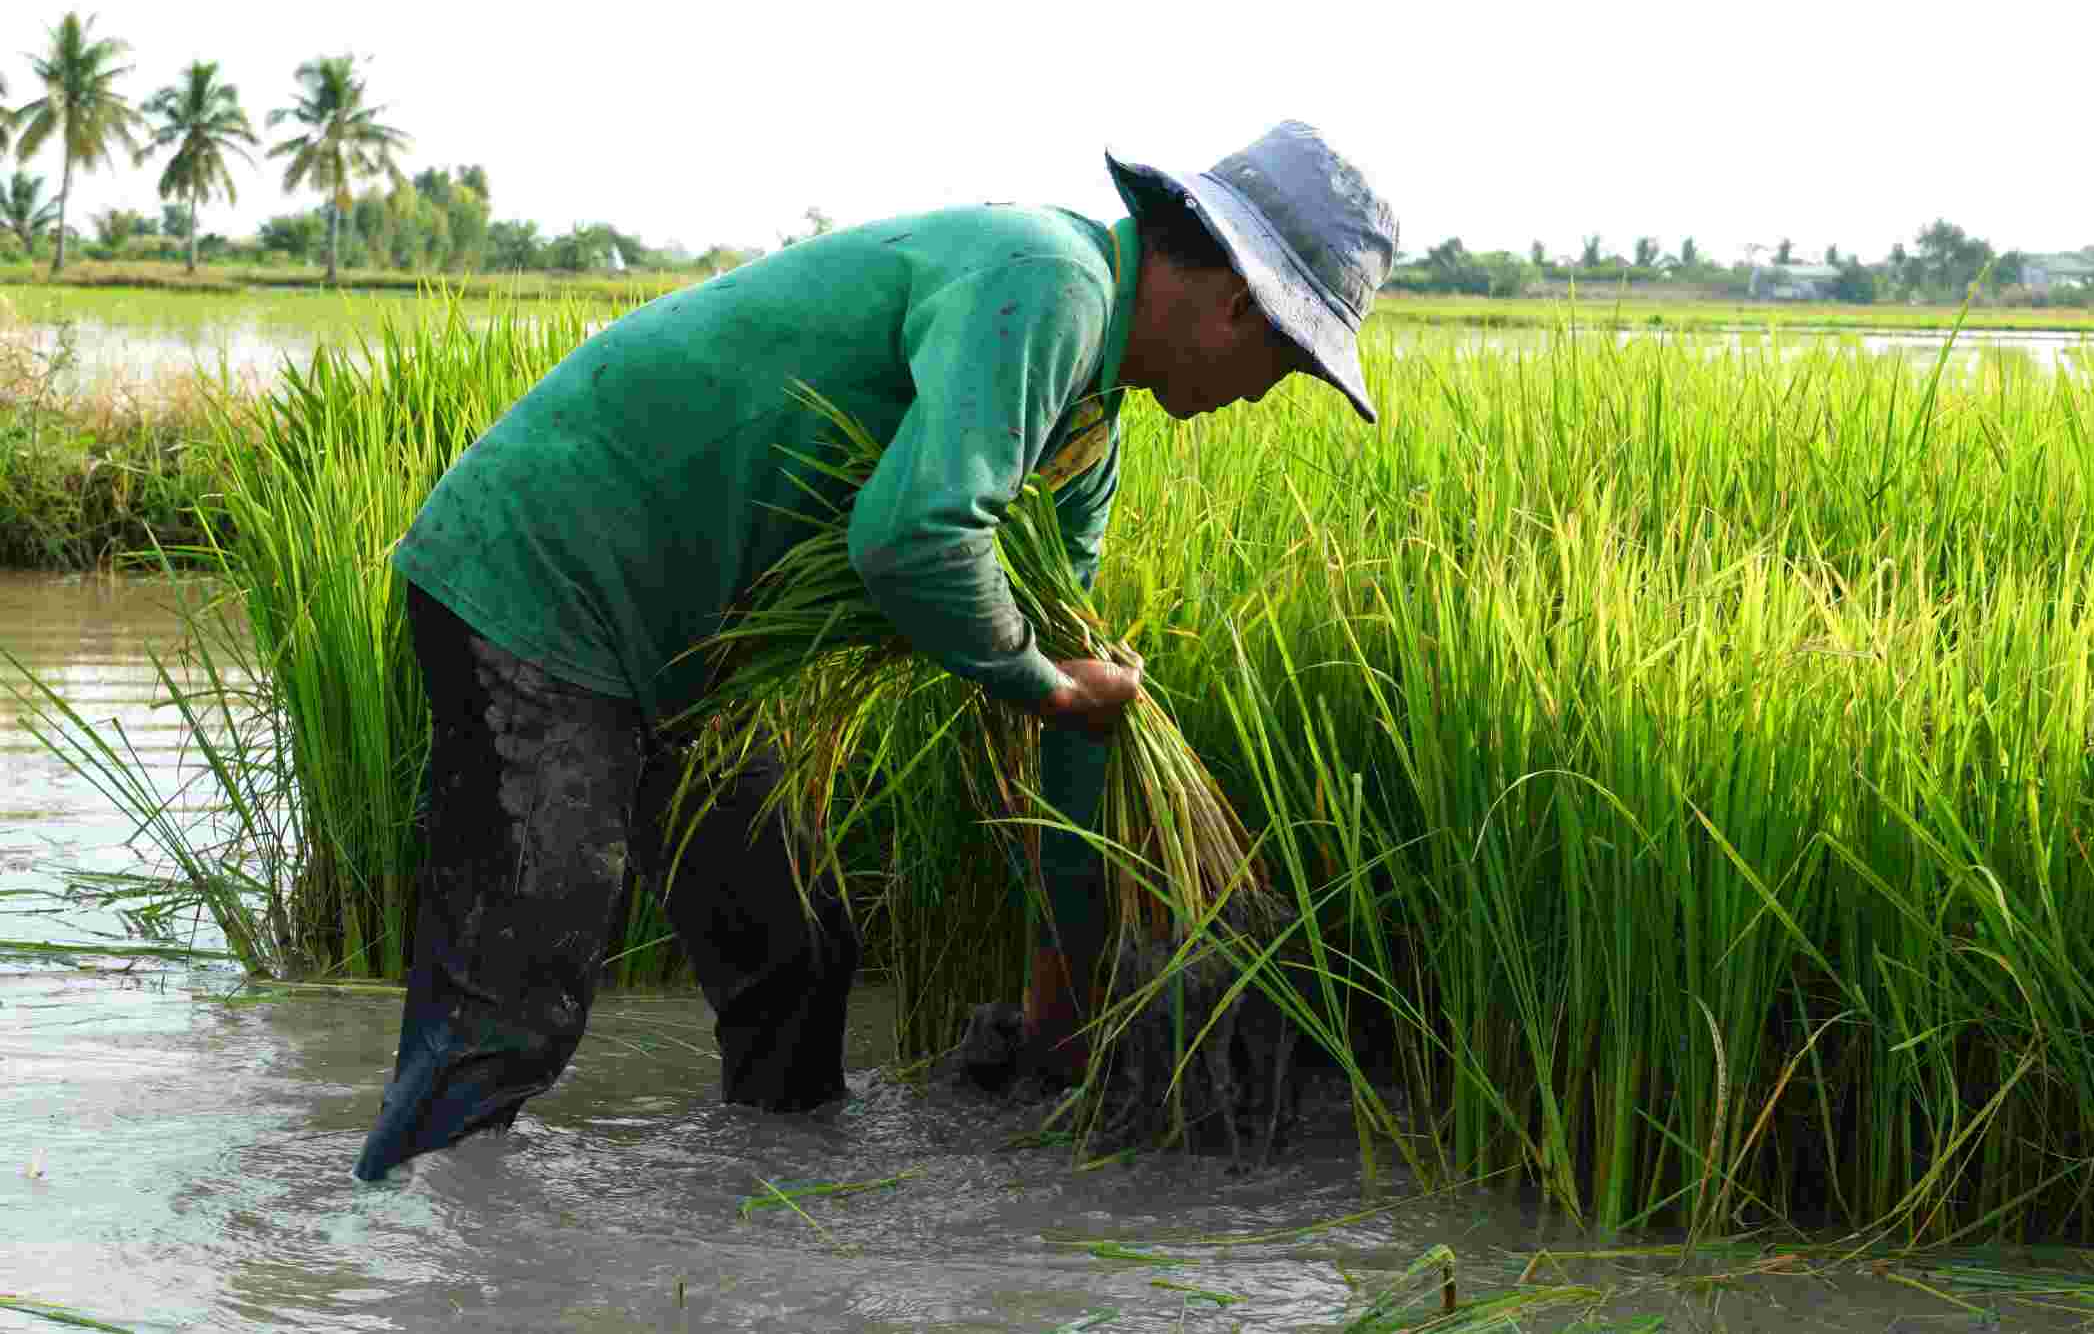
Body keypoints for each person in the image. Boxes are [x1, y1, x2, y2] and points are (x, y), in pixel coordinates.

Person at [353, 120, 1399, 1182]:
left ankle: (757, 1234)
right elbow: (913, 539)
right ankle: (396, 1249)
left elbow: (1067, 709)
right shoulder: (1049, 281)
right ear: (1238, 305)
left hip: (694, 650)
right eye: (1289, 361)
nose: (1267, 393)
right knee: (516, 994)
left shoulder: (1086, 438)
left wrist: (1065, 975)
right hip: (545, 573)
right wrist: (1040, 680)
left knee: (797, 959)